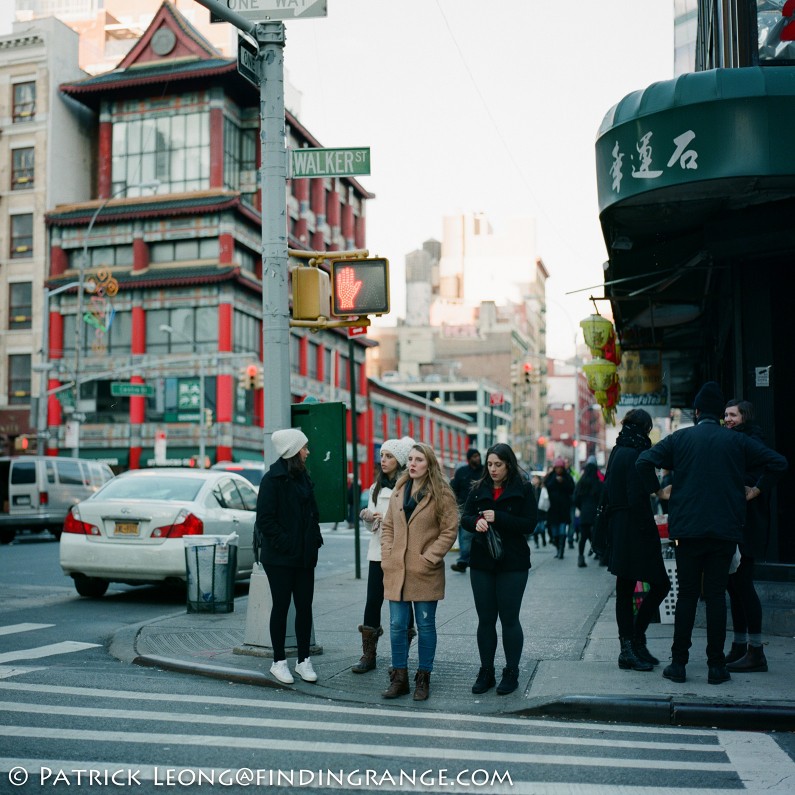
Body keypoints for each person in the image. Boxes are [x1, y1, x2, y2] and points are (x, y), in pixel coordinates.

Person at [636, 382, 787, 685]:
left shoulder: (680, 439)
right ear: (720, 414)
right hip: (724, 532)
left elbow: (644, 461)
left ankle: (678, 664)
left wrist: (660, 491)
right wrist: (756, 489)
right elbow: (778, 463)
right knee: (717, 596)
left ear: (695, 412)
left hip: (687, 532)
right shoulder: (735, 441)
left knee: (688, 596)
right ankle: (716, 667)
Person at [380, 443, 458, 701]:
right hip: (397, 571)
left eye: (419, 460)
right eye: (410, 459)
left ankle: (423, 678)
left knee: (425, 625)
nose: (412, 464)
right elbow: (388, 526)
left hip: (425, 571)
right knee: (396, 625)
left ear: (430, 464)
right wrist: (387, 554)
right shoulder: (398, 490)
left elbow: (449, 530)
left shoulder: (442, 492)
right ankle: (399, 678)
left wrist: (430, 557)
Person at [460, 443, 537, 695]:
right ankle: (486, 671)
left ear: (508, 464)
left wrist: (498, 517)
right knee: (485, 619)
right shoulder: (478, 488)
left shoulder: (523, 488)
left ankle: (511, 671)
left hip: (513, 563)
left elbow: (530, 524)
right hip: (482, 561)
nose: (493, 470)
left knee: (509, 618)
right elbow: (465, 518)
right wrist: (476, 522)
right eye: (490, 464)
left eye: (498, 465)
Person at [256, 428, 324, 685]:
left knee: (305, 607)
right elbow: (265, 520)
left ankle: (304, 660)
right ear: (294, 451)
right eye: (304, 447)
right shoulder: (272, 480)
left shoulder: (303, 478)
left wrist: (313, 540)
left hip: (304, 556)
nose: (308, 452)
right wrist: (288, 544)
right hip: (280, 558)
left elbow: (312, 514)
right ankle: (278, 661)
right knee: (282, 607)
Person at [604, 409, 670, 671]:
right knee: (661, 584)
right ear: (645, 428)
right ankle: (633, 644)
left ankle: (630, 646)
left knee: (625, 589)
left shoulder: (618, 450)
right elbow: (640, 496)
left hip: (619, 528)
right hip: (637, 527)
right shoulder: (639, 453)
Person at [352, 436, 415, 674]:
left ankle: (401, 659)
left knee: (401, 602)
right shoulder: (375, 488)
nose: (383, 460)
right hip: (377, 552)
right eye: (382, 456)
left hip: (400, 553)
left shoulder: (408, 487)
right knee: (372, 602)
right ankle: (369, 656)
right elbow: (372, 527)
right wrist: (368, 518)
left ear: (399, 460)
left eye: (389, 456)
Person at [723, 399, 771, 673]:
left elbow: (772, 468)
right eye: (725, 415)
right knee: (734, 586)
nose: (727, 419)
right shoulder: (736, 440)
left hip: (749, 524)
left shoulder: (752, 441)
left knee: (743, 585)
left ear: (745, 416)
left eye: (732, 415)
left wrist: (755, 489)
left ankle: (756, 651)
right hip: (736, 522)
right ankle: (740, 646)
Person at [449, 448, 485, 573]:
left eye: (478, 455)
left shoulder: (485, 471)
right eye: (474, 456)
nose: (477, 458)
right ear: (469, 459)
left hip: (482, 507)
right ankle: (464, 560)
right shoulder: (461, 472)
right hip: (465, 508)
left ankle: (475, 560)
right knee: (465, 535)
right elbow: (454, 488)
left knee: (481, 535)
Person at [573, 456, 604, 568]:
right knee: (597, 535)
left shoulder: (581, 483)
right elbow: (603, 499)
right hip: (596, 513)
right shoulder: (599, 484)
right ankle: (601, 557)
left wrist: (581, 508)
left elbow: (575, 499)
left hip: (585, 513)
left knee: (583, 536)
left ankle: (581, 558)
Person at [544, 458, 575, 559]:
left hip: (564, 509)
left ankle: (561, 551)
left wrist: (563, 482)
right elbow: (547, 486)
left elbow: (571, 489)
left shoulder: (567, 477)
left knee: (562, 531)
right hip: (552, 510)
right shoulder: (551, 477)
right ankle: (558, 548)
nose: (558, 470)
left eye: (560, 468)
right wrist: (555, 481)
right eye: (556, 468)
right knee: (554, 533)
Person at [530, 473, 548, 548]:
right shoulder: (531, 489)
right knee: (535, 529)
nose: (534, 480)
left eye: (536, 478)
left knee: (542, 528)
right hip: (534, 511)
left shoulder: (542, 489)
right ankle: (536, 542)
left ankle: (543, 540)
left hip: (541, 511)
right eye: (533, 478)